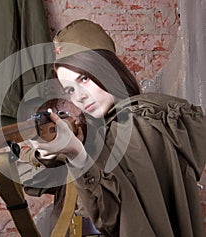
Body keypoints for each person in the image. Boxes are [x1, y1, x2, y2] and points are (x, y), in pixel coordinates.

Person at [29, 19, 206, 237]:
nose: (80, 96)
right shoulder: (106, 129)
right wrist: (50, 151)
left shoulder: (139, 125)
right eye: (70, 89)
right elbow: (38, 181)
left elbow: (117, 216)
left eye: (84, 78)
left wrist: (77, 155)